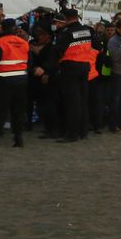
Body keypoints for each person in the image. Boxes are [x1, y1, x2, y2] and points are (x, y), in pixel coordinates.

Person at [42, 9, 96, 143]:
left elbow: (57, 52)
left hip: (70, 68)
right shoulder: (87, 30)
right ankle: (83, 131)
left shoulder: (67, 33)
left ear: (66, 18)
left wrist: (47, 70)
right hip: (84, 67)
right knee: (83, 101)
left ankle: (72, 134)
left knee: (72, 103)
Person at [0, 19, 31, 149]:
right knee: (18, 112)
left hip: (3, 81)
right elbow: (29, 62)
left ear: (1, 28)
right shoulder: (24, 43)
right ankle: (18, 139)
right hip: (21, 80)